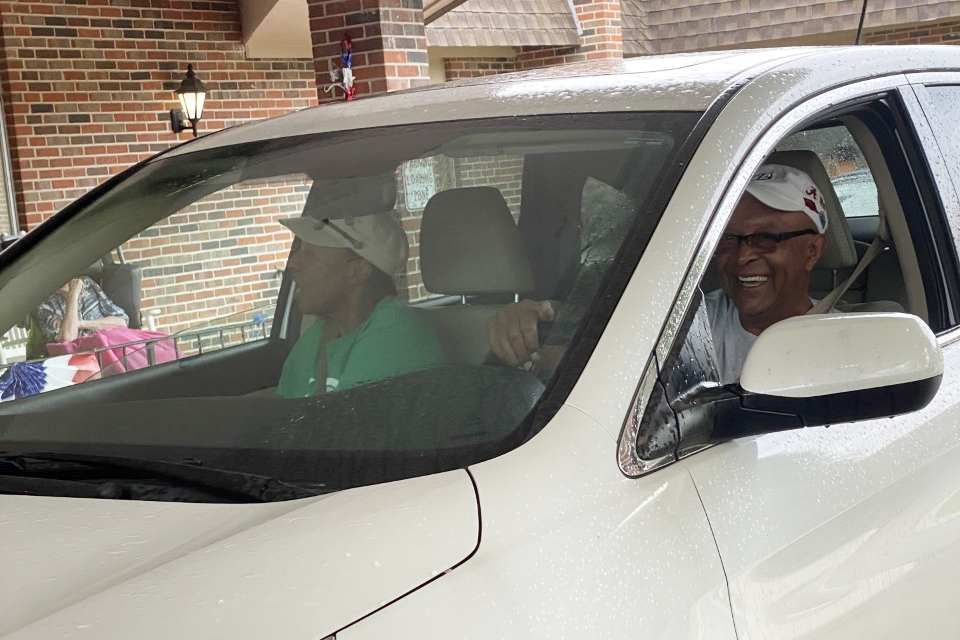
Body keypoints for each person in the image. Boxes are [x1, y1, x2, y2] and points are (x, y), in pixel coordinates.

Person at [487, 163, 829, 383]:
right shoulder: (685, 319)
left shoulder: (844, 342)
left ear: (812, 251)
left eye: (766, 238)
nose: (742, 257)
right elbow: (604, 333)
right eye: (728, 238)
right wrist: (528, 319)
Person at [275, 210, 445, 397]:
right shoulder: (316, 336)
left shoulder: (396, 335)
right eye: (299, 250)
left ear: (358, 270)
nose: (292, 263)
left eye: (310, 254)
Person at [36, 276, 129, 344]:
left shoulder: (87, 284)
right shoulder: (45, 307)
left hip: (113, 345)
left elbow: (122, 322)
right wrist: (73, 295)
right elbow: (67, 340)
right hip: (83, 360)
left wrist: (80, 324)